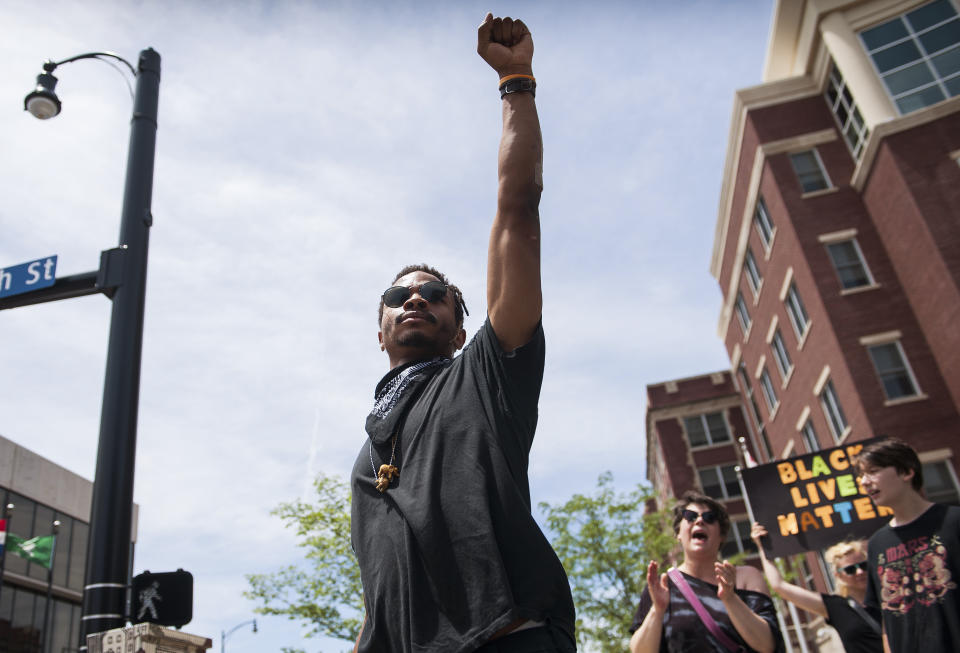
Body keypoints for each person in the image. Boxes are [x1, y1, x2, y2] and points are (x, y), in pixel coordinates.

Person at [349, 13, 576, 653]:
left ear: (459, 325)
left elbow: (517, 206)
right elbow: (383, 586)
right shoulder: (370, 452)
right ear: (381, 327)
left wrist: (516, 82)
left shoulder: (483, 376)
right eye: (399, 295)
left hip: (511, 637)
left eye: (435, 294)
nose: (415, 298)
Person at [629, 492, 783, 653]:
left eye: (710, 517)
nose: (700, 520)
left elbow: (767, 645)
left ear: (722, 535)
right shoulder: (661, 586)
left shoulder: (746, 577)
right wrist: (657, 610)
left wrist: (730, 598)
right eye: (690, 516)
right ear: (677, 534)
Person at [856, 437, 960, 653]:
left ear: (906, 472)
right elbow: (886, 621)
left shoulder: (953, 521)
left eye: (873, 471)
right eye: (861, 475)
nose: (864, 482)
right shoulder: (877, 544)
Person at [750, 523, 881, 652]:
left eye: (863, 565)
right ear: (838, 575)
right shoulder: (835, 606)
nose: (859, 572)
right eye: (850, 569)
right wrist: (763, 547)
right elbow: (779, 586)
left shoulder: (890, 596)